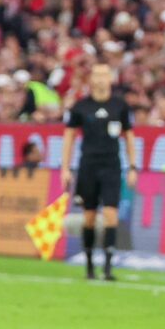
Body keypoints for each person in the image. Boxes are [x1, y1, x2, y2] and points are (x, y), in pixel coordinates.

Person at [60, 63, 137, 281]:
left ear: (111, 78)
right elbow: (69, 136)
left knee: (111, 216)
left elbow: (129, 136)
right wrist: (65, 168)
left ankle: (108, 267)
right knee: (89, 218)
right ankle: (89, 266)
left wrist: (133, 166)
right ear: (91, 79)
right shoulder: (81, 107)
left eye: (105, 74)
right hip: (88, 167)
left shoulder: (120, 106)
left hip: (112, 166)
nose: (101, 78)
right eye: (97, 75)